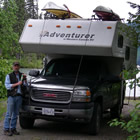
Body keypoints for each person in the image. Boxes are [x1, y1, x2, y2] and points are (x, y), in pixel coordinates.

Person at [3, 62, 27, 136]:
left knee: (16, 114)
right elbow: (7, 86)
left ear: (19, 67)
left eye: (17, 66)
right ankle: (6, 129)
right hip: (11, 97)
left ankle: (13, 129)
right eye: (15, 66)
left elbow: (26, 85)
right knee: (9, 114)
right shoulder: (9, 75)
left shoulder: (22, 75)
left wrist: (25, 80)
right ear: (13, 67)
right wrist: (17, 84)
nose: (16, 67)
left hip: (19, 97)